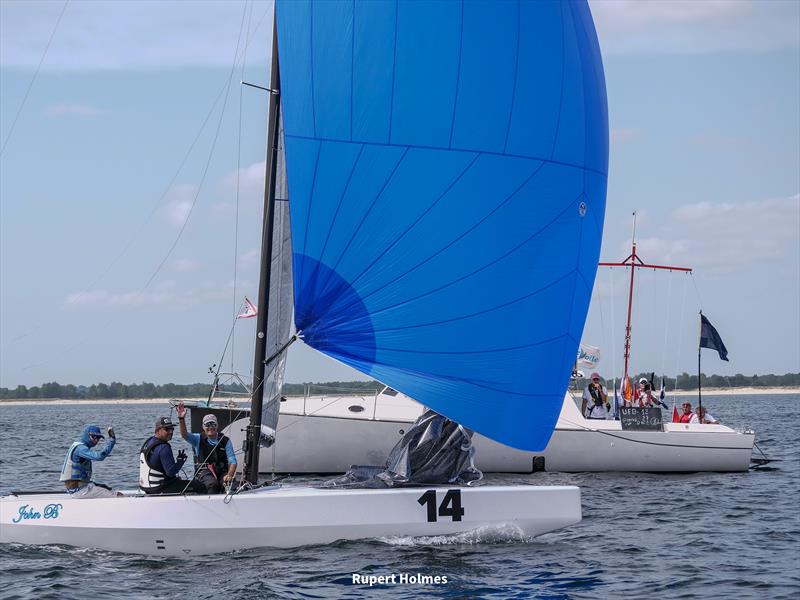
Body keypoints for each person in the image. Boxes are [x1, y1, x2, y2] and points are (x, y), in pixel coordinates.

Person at [176, 403, 237, 493]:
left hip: (221, 471)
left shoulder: (225, 441)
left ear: (217, 426)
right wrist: (181, 419)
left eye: (213, 424)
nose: (210, 427)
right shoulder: (198, 438)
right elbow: (184, 435)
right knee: (212, 484)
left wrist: (230, 474)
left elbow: (233, 461)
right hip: (204, 472)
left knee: (230, 483)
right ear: (203, 427)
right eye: (207, 425)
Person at [139, 416, 205, 494]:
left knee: (179, 481)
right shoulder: (164, 448)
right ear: (157, 431)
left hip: (146, 487)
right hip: (160, 488)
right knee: (200, 486)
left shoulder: (148, 442)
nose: (170, 432)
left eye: (172, 429)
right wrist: (180, 461)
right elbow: (171, 472)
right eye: (167, 429)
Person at [60, 424, 123, 498]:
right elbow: (99, 457)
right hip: (79, 490)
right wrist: (112, 441)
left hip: (79, 487)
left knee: (107, 488)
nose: (96, 440)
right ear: (86, 435)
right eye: (94, 437)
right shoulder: (80, 449)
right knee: (117, 495)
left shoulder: (78, 445)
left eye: (98, 438)